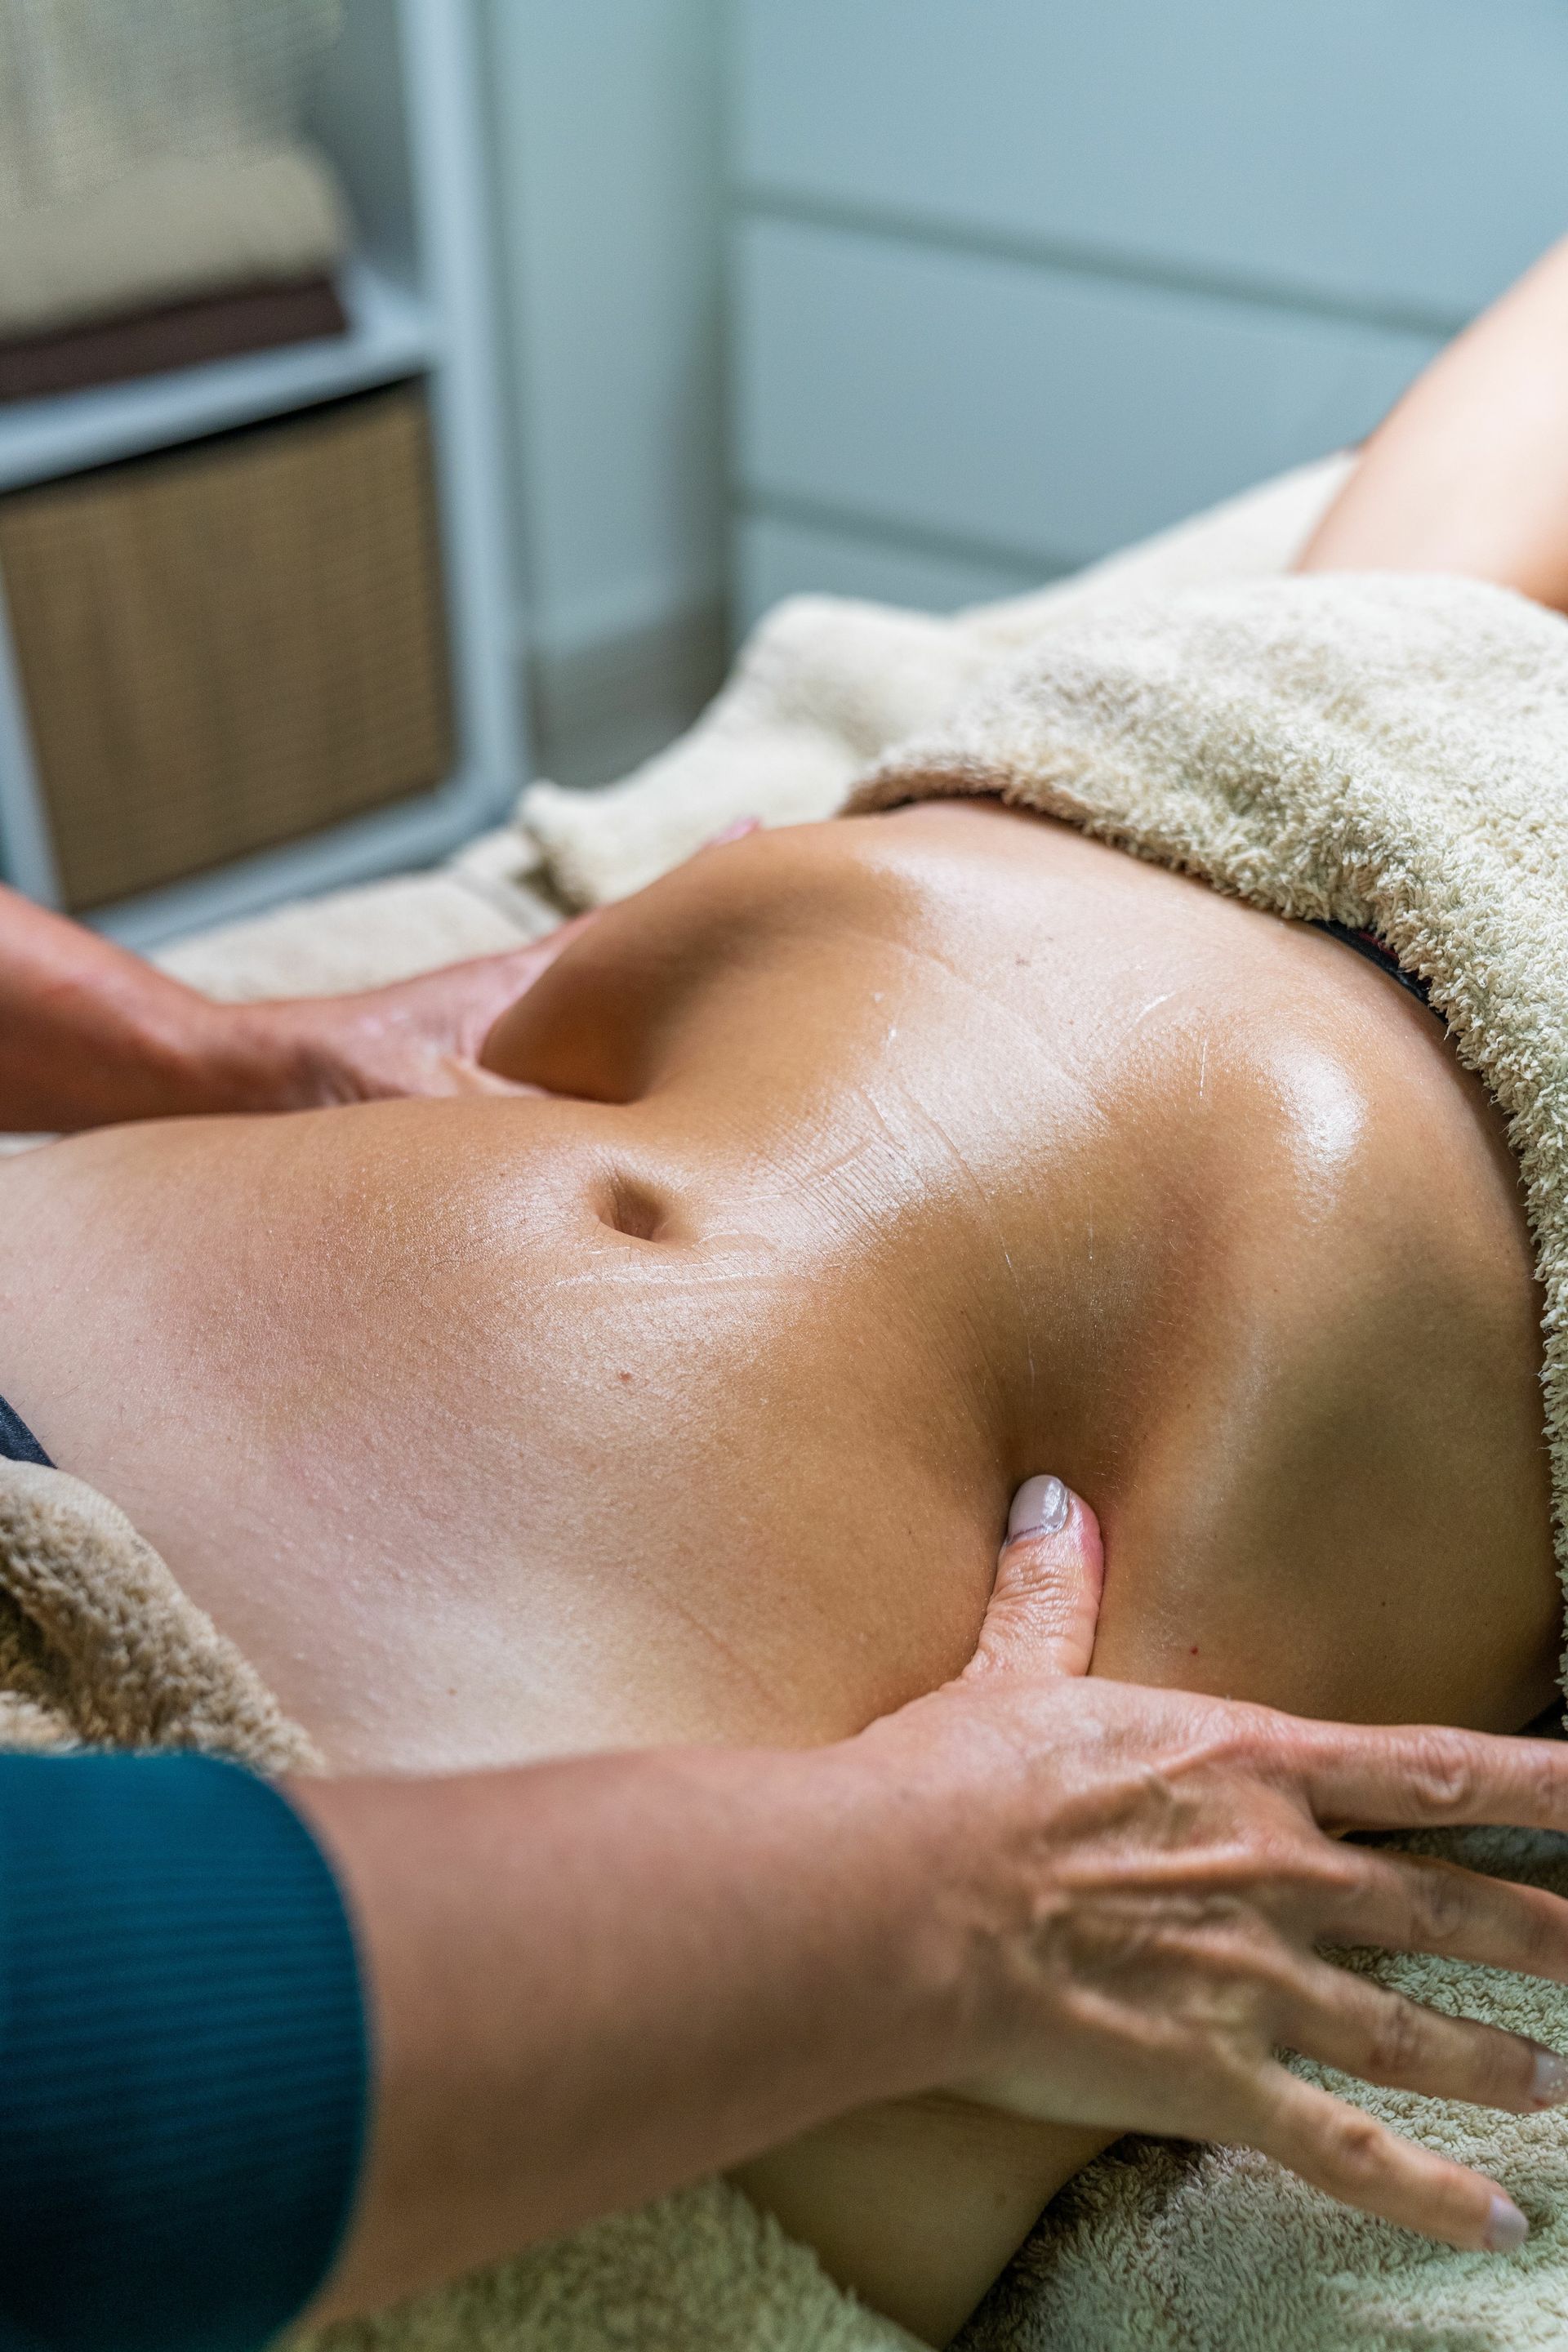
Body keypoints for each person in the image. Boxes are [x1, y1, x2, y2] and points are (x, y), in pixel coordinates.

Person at [8, 234, 1568, 2347]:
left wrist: (211, 1049)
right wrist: (925, 1905)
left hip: (1219, 758)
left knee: (1395, 606)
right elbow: (100, 2079)